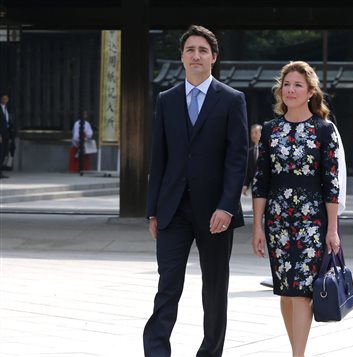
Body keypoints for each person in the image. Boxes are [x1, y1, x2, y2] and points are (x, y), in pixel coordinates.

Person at [144, 25, 249, 357]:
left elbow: (238, 158)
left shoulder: (232, 100)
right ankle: (156, 351)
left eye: (203, 50)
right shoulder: (167, 99)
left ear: (213, 58)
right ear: (182, 57)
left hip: (216, 211)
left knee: (215, 288)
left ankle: (210, 352)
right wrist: (152, 210)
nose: (196, 55)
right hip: (173, 209)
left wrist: (227, 206)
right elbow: (158, 158)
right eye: (190, 49)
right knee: (168, 285)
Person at [251, 60, 342, 357]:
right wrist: (257, 227)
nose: (290, 89)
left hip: (311, 223)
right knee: (285, 292)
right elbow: (261, 181)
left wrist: (333, 229)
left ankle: (298, 355)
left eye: (297, 85)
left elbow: (331, 183)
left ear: (310, 92)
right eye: (286, 84)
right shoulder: (270, 130)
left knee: (302, 292)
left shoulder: (323, 130)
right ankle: (296, 351)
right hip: (277, 222)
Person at [242, 123, 263, 195]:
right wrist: (245, 185)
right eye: (252, 133)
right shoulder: (250, 152)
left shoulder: (268, 149)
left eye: (256, 132)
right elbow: (248, 170)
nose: (253, 135)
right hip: (255, 186)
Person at [0, 93, 15, 178]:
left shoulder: (7, 109)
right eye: (3, 98)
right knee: (1, 152)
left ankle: (1, 171)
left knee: (4, 153)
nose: (5, 100)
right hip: (1, 133)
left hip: (6, 133)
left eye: (6, 99)